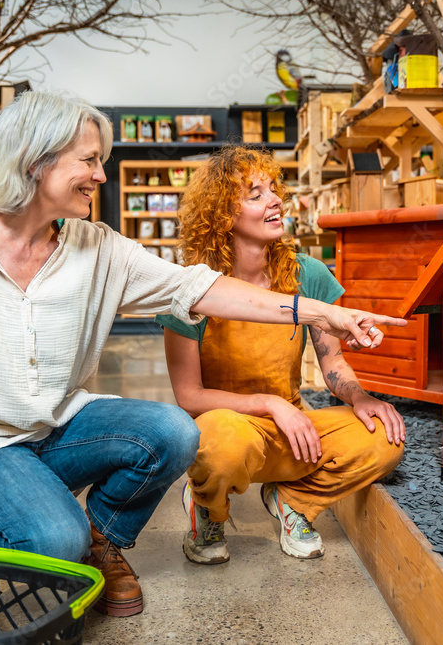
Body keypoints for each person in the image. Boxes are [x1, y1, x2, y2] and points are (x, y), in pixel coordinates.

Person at [0, 92, 405, 618]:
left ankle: (101, 537)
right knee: (54, 546)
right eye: (89, 161)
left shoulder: (97, 247)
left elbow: (200, 288)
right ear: (35, 161)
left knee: (173, 433)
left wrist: (324, 314)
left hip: (60, 426)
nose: (101, 177)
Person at [157, 147, 406, 564]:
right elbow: (189, 396)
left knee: (385, 438)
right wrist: (270, 404)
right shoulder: (189, 289)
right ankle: (208, 511)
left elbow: (333, 364)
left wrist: (361, 399)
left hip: (293, 431)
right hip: (230, 429)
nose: (275, 200)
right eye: (255, 194)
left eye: (273, 189)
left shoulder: (308, 274)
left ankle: (294, 501)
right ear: (222, 215)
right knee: (217, 442)